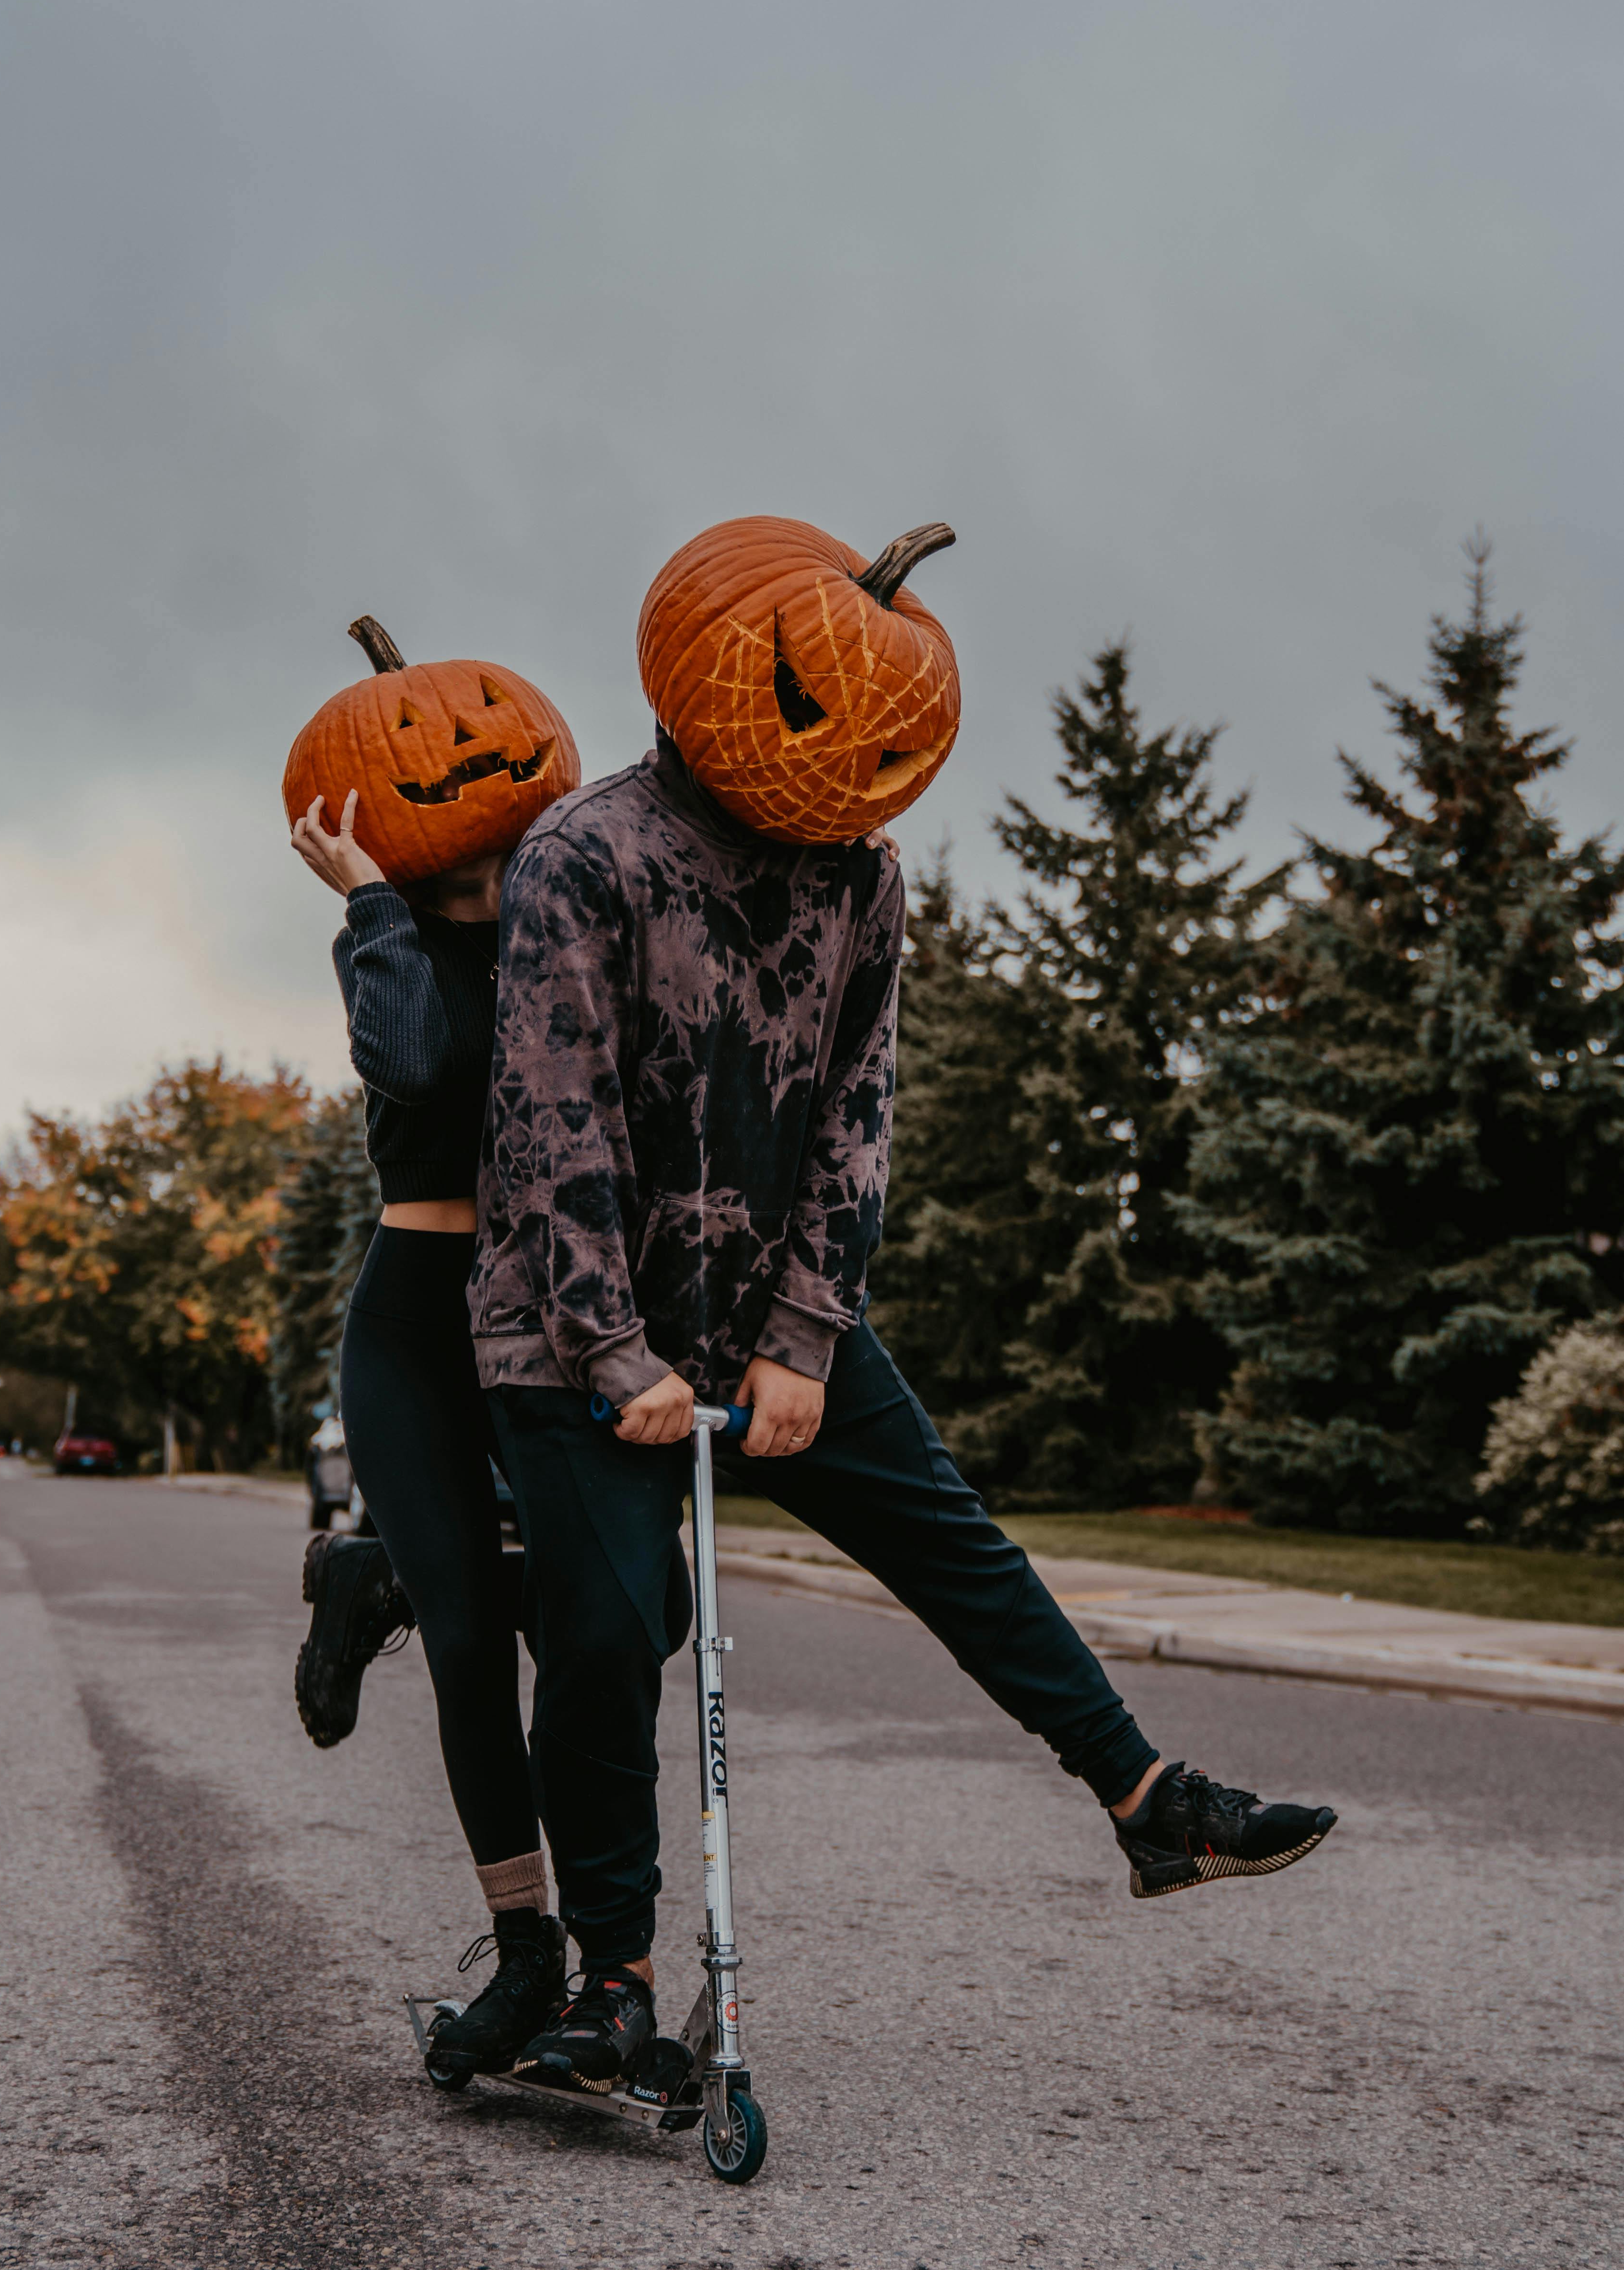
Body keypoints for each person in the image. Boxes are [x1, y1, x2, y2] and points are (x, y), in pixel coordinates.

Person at [468, 520, 1337, 2093]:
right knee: (603, 1636)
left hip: (763, 1309)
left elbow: (854, 1112)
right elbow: (551, 1128)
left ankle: (1148, 1804)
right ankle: (613, 1981)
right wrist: (616, 1355)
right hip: (574, 1330)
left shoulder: (860, 878)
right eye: (812, 698)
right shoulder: (581, 855)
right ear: (712, 671)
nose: (844, 750)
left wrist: (804, 1335)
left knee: (950, 1538)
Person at [288, 785, 568, 2084]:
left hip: (551, 1314)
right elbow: (408, 1064)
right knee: (467, 1647)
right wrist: (368, 903)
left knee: (650, 1609)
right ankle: (524, 1955)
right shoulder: (385, 940)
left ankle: (382, 1572)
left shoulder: (563, 931)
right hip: (412, 1318)